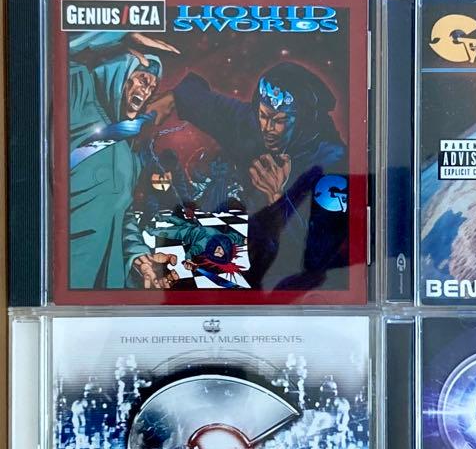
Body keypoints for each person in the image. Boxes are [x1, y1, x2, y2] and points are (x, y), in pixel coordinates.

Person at [141, 61, 350, 290]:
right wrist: (174, 98)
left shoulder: (332, 162)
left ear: (303, 120)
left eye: (279, 121)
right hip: (238, 255)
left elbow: (321, 255)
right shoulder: (253, 124)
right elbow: (209, 104)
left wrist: (278, 198)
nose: (268, 128)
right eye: (263, 115)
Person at [67, 30, 178, 288]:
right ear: (118, 72)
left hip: (105, 285)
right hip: (68, 273)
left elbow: (122, 216)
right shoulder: (79, 96)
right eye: (142, 79)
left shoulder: (128, 155)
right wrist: (119, 35)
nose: (146, 91)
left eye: (152, 87)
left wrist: (138, 257)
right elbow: (59, 54)